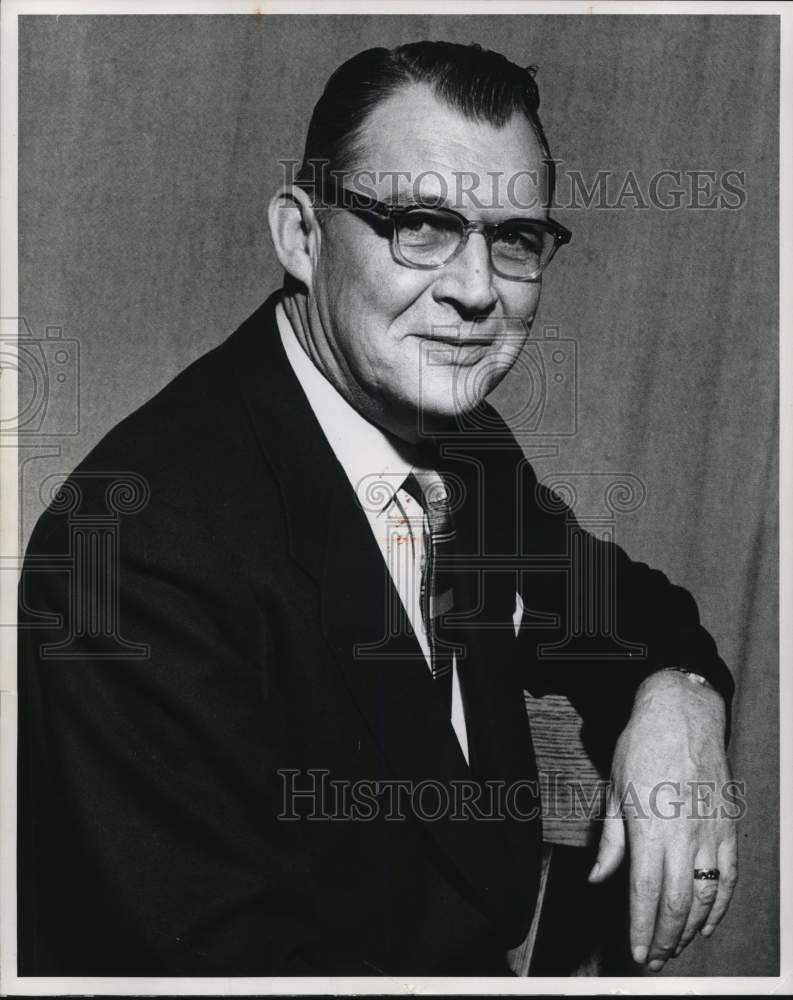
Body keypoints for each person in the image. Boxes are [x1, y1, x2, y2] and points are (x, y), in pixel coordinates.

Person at [17, 41, 737, 977]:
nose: (475, 290)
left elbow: (620, 606)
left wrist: (679, 696)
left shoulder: (461, 444)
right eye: (421, 226)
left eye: (514, 240)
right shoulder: (130, 548)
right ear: (300, 236)